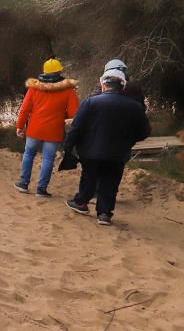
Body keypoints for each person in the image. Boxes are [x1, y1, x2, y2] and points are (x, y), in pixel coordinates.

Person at [64, 69, 151, 226]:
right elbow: (145, 132)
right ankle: (104, 213)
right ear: (122, 87)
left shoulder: (90, 102)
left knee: (89, 177)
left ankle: (81, 203)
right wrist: (129, 141)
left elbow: (76, 127)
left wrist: (69, 146)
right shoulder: (134, 107)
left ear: (103, 85)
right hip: (118, 153)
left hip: (90, 151)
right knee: (111, 182)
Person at [15, 58, 80, 197]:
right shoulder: (68, 89)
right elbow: (74, 113)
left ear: (44, 72)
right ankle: (41, 189)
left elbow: (24, 109)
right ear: (59, 71)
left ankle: (23, 184)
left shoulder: (34, 87)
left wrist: (19, 126)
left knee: (28, 154)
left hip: (34, 129)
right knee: (48, 159)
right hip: (54, 131)